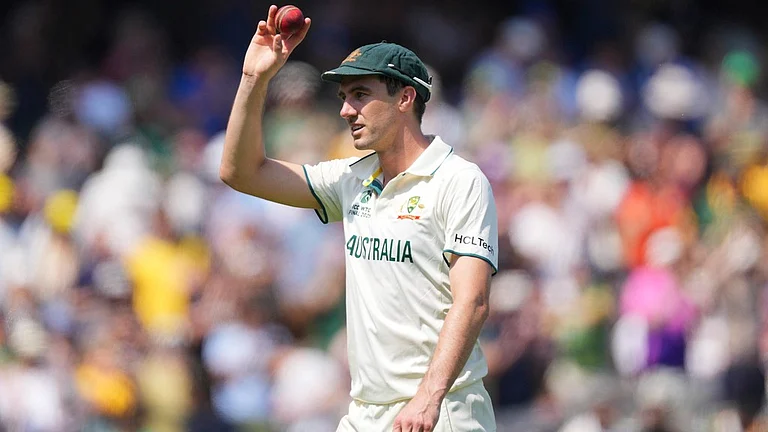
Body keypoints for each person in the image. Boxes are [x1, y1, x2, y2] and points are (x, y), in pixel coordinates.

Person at [219, 5, 498, 432]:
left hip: (442, 412)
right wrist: (255, 78)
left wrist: (427, 400)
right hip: (365, 413)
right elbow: (240, 172)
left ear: (405, 98)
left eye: (361, 95)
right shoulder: (351, 179)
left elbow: (473, 301)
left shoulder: (459, 181)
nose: (346, 111)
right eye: (344, 97)